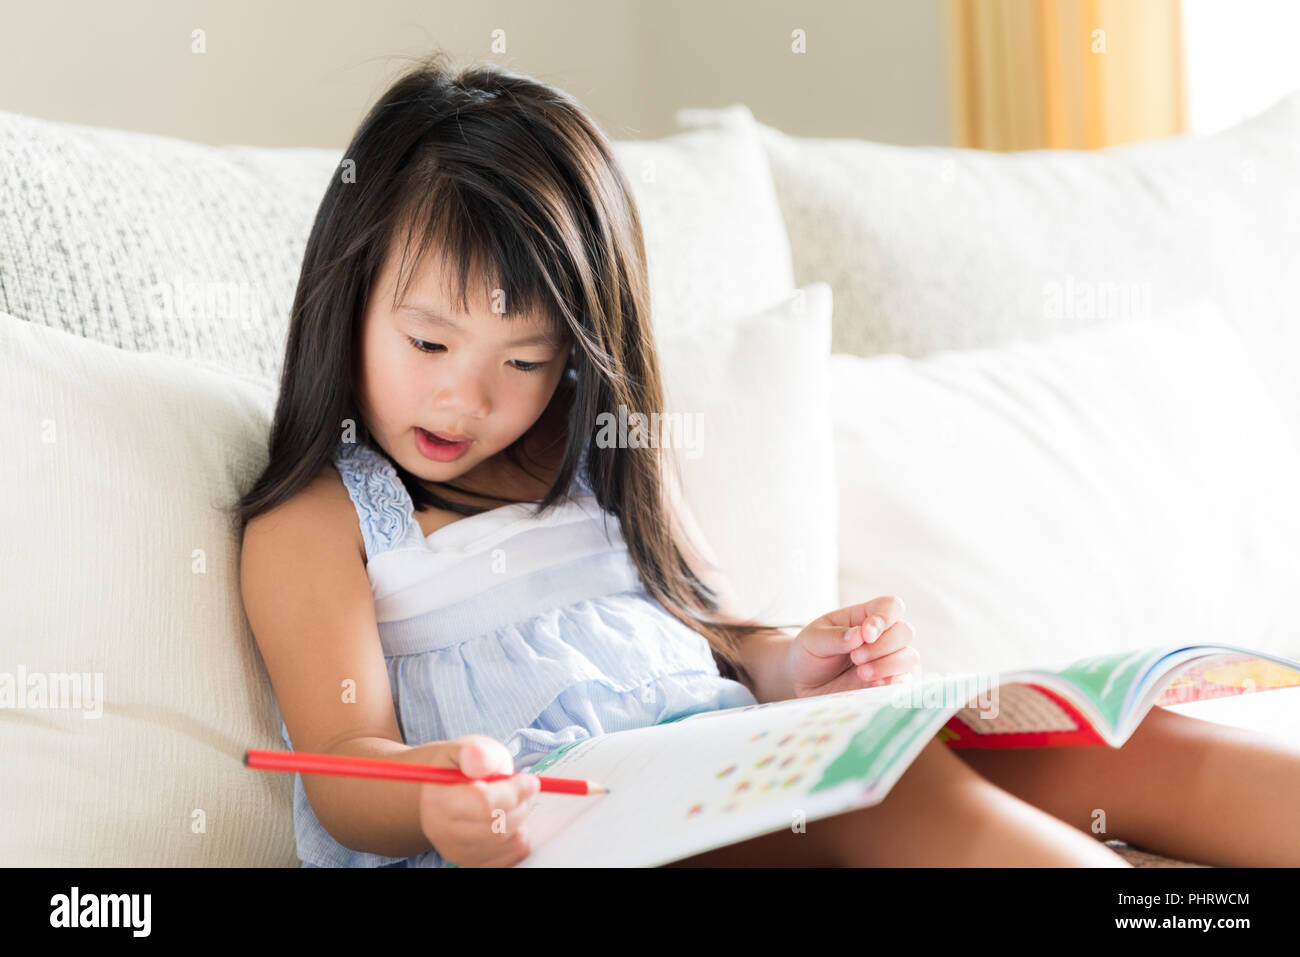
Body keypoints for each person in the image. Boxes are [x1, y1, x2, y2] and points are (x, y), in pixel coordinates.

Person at [237, 51, 1300, 868]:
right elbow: (345, 764)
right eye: (428, 343)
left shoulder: (594, 460)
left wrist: (794, 664)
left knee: (1104, 741)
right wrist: (436, 798)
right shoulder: (323, 521)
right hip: (565, 831)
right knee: (887, 790)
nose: (466, 397)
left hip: (716, 773)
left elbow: (714, 635)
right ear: (348, 295)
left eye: (523, 360)